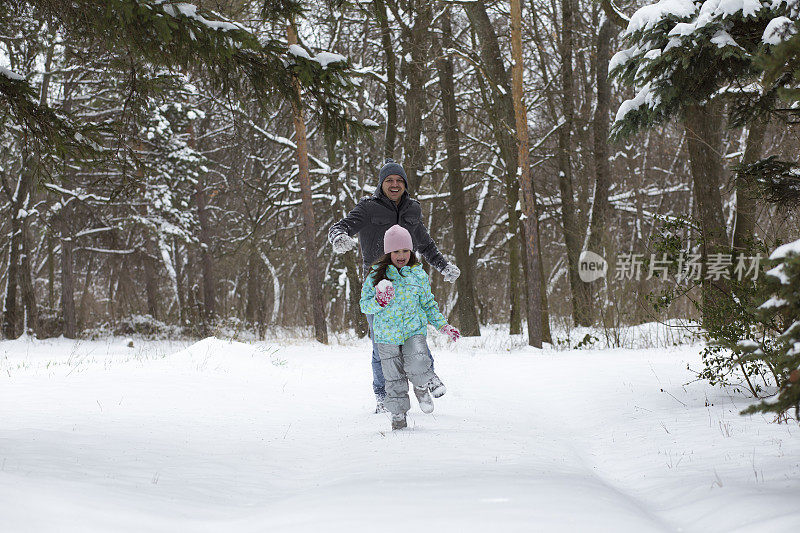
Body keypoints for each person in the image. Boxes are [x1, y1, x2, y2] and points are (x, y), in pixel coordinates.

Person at [328, 158, 461, 413]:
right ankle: (382, 395)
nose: (395, 184)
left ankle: (425, 380)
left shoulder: (412, 210)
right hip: (378, 282)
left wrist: (443, 266)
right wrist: (339, 237)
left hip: (409, 281)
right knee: (382, 345)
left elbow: (425, 244)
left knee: (415, 335)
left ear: (405, 184)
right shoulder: (368, 208)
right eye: (389, 180)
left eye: (399, 180)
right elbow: (341, 226)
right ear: (381, 184)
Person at [360, 225, 461, 430]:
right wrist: (379, 301)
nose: (401, 255)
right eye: (396, 251)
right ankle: (398, 416)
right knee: (394, 379)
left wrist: (443, 326)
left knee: (418, 360)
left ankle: (423, 384)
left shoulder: (418, 275)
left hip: (413, 330)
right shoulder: (376, 275)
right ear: (388, 252)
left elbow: (428, 304)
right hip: (386, 336)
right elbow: (364, 304)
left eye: (406, 250)